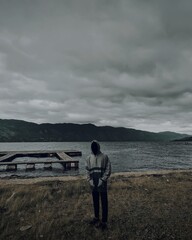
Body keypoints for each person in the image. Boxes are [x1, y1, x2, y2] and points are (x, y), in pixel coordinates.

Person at [85, 140, 111, 230]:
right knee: (95, 201)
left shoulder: (104, 157)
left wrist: (103, 179)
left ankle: (104, 222)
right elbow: (87, 170)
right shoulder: (88, 158)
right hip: (93, 183)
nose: (94, 148)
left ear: (98, 147)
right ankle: (96, 218)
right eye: (93, 147)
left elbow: (108, 169)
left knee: (104, 202)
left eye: (95, 147)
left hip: (102, 184)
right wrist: (90, 180)